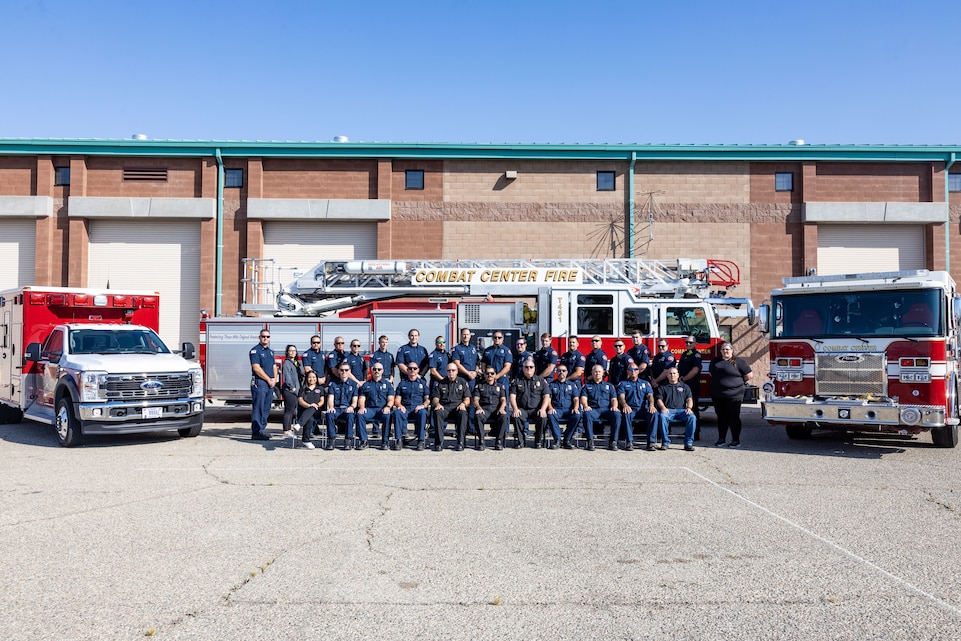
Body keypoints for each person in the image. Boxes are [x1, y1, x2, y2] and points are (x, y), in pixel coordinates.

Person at [709, 342, 753, 448]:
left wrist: (736, 383)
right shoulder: (715, 361)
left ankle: (735, 440)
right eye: (723, 349)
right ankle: (721, 439)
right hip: (718, 395)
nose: (725, 351)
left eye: (727, 349)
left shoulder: (739, 362)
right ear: (720, 351)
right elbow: (711, 374)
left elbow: (749, 375)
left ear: (732, 350)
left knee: (734, 418)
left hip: (734, 395)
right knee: (721, 417)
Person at [580, 364, 622, 451]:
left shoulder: (609, 386)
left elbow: (614, 399)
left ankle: (613, 441)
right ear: (592, 373)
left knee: (617, 415)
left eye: (599, 372)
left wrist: (614, 407)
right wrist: (585, 406)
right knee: (586, 414)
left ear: (603, 373)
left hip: (606, 409)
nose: (597, 373)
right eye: (595, 372)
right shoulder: (587, 386)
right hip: (593, 410)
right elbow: (583, 399)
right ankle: (590, 441)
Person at [510, 357, 549, 449]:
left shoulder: (541, 381)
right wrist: (515, 409)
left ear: (534, 368)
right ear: (523, 368)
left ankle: (538, 441)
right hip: (523, 409)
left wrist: (543, 409)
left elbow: (546, 396)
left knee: (543, 417)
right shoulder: (517, 381)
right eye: (526, 367)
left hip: (536, 409)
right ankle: (521, 441)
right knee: (516, 416)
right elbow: (512, 396)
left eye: (531, 367)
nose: (529, 369)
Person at [654, 367, 696, 451]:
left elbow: (689, 399)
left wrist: (689, 408)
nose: (672, 375)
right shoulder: (662, 387)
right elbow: (659, 399)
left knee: (692, 417)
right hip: (668, 410)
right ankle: (665, 442)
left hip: (682, 411)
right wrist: (663, 408)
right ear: (667, 375)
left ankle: (688, 443)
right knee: (662, 417)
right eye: (670, 373)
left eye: (674, 373)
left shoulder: (685, 387)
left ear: (678, 375)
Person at [431, 364, 470, 451]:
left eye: (453, 370)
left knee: (463, 413)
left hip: (457, 408)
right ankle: (439, 443)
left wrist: (463, 404)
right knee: (437, 412)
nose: (451, 372)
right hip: (444, 408)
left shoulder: (462, 382)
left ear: (457, 371)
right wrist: (437, 404)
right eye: (449, 370)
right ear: (446, 372)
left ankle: (461, 442)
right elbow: (435, 398)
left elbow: (467, 399)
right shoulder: (441, 383)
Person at [617, 361, 655, 451]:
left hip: (643, 409)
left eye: (635, 369)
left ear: (638, 371)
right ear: (627, 371)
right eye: (630, 369)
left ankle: (651, 442)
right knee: (625, 413)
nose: (633, 371)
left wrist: (652, 405)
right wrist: (625, 405)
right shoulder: (623, 383)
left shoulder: (645, 383)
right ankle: (629, 441)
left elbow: (650, 395)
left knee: (654, 414)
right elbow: (621, 396)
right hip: (631, 409)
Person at [357, 362, 396, 450]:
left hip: (382, 409)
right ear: (371, 370)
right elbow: (361, 399)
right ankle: (364, 440)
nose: (376, 371)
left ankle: (385, 441)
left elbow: (391, 399)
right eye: (374, 369)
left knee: (387, 415)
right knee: (360, 415)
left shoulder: (388, 385)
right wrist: (362, 408)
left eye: (379, 369)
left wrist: (388, 407)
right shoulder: (366, 385)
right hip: (370, 409)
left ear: (382, 371)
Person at [392, 361, 430, 450]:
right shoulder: (402, 384)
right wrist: (400, 405)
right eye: (410, 368)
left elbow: (428, 399)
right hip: (406, 408)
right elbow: (397, 400)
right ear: (407, 370)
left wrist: (423, 406)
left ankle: (421, 440)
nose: (412, 370)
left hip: (418, 408)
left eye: (414, 368)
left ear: (418, 370)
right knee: (397, 413)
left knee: (423, 413)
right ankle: (398, 440)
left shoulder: (423, 383)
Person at [248, 329, 277, 441]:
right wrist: (268, 379)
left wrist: (274, 379)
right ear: (259, 337)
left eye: (267, 336)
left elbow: (274, 367)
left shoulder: (270, 352)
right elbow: (256, 368)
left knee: (266, 408)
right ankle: (256, 432)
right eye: (263, 336)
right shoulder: (255, 351)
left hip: (269, 383)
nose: (265, 338)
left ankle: (262, 430)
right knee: (258, 408)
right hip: (260, 383)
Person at [325, 363, 360, 450]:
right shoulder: (333, 383)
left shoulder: (353, 384)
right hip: (336, 408)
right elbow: (330, 398)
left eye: (346, 370)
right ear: (338, 371)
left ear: (349, 371)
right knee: (329, 414)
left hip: (347, 408)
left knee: (351, 415)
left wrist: (352, 407)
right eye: (342, 370)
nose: (344, 372)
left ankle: (348, 440)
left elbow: (355, 401)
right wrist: (331, 407)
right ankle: (331, 439)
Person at [473, 367, 509, 450]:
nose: (490, 375)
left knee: (504, 417)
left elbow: (503, 399)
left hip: (496, 409)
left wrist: (502, 408)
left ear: (495, 374)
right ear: (484, 375)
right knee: (478, 416)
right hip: (484, 409)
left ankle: (499, 441)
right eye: (487, 373)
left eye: (492, 373)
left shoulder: (500, 386)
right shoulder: (479, 386)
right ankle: (481, 441)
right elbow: (475, 399)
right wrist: (478, 407)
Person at [548, 365, 582, 450]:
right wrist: (550, 408)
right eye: (559, 371)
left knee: (577, 416)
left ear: (567, 372)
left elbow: (576, 399)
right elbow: (548, 399)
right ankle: (557, 440)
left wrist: (575, 408)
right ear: (556, 372)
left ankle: (567, 439)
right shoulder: (551, 385)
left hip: (568, 410)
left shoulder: (572, 385)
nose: (561, 373)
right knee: (551, 415)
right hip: (557, 410)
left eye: (563, 371)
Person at [451, 328, 480, 428]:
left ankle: (471, 427)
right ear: (461, 336)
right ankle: (459, 428)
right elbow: (456, 363)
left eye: (467, 334)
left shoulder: (473, 348)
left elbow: (477, 362)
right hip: (462, 378)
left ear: (470, 336)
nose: (465, 336)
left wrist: (476, 372)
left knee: (471, 402)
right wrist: (468, 373)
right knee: (460, 401)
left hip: (472, 379)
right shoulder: (457, 349)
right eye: (464, 334)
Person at [678, 335, 703, 436]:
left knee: (693, 408)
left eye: (690, 342)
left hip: (692, 384)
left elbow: (695, 370)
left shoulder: (696, 355)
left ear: (695, 343)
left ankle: (695, 433)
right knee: (686, 408)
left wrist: (684, 379)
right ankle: (688, 431)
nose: (688, 344)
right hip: (684, 385)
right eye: (686, 342)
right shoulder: (684, 354)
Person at [297, 370, 325, 449]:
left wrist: (316, 405)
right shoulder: (303, 388)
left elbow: (322, 401)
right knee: (309, 419)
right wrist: (309, 405)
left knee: (313, 408)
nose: (311, 379)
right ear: (306, 378)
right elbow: (300, 401)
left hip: (316, 411)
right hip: (304, 411)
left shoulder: (320, 388)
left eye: (313, 377)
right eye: (309, 377)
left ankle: (299, 424)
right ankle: (306, 440)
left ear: (316, 378)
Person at [280, 345, 304, 438]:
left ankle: (289, 430)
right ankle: (286, 431)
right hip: (290, 391)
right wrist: (292, 387)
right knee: (288, 410)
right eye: (290, 351)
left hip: (296, 390)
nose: (293, 352)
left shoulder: (296, 363)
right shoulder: (287, 363)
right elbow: (287, 377)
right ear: (287, 352)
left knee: (292, 410)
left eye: (294, 350)